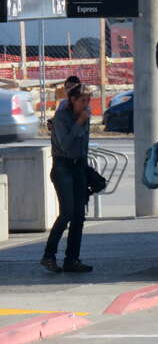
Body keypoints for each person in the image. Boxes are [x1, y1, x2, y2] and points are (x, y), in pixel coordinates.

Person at [41, 84, 93, 273]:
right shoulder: (62, 118)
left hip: (78, 166)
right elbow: (65, 145)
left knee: (79, 216)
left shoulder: (85, 116)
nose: (86, 105)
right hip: (63, 167)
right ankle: (49, 255)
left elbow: (83, 144)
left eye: (88, 101)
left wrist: (86, 170)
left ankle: (72, 259)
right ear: (72, 100)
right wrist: (80, 123)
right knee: (67, 213)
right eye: (82, 101)